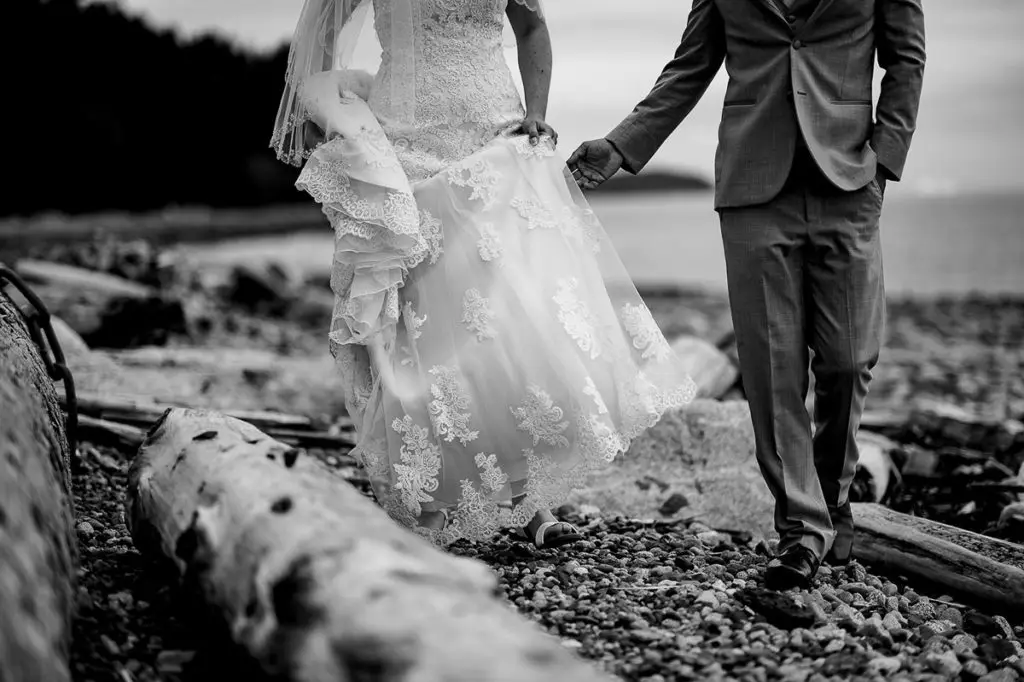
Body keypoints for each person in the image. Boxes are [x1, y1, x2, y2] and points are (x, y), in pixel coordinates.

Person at [271, 0, 696, 549]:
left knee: (515, 313)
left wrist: (537, 110)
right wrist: (332, 118)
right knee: (427, 327)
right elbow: (320, 31)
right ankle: (432, 494)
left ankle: (533, 499)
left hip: (494, 133)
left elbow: (532, 25)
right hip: (406, 142)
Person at [570, 0, 925, 588]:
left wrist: (885, 159)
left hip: (850, 180)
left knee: (849, 359)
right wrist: (622, 144)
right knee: (771, 368)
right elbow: (690, 66)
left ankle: (831, 498)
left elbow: (906, 59)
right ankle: (802, 531)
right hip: (753, 187)